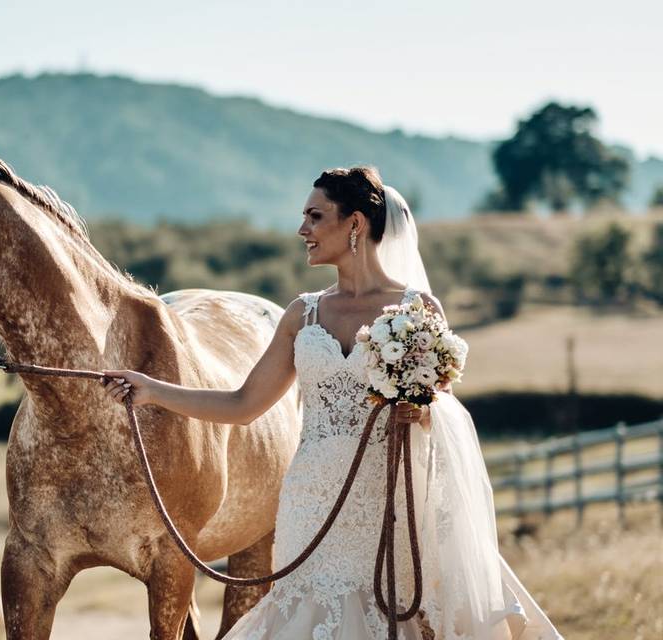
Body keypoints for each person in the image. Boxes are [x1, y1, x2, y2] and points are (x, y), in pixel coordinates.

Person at [102, 167, 562, 639]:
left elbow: (444, 410)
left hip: (389, 503)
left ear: (355, 224)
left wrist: (422, 411)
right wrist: (152, 390)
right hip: (310, 502)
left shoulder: (416, 310)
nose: (303, 230)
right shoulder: (303, 314)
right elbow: (243, 404)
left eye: (315, 216)